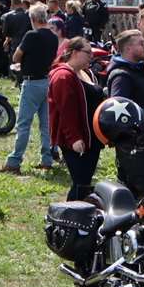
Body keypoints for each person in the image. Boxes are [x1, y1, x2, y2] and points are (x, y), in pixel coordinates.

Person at [105, 28, 144, 197]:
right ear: (129, 48)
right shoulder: (121, 76)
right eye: (141, 43)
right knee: (141, 194)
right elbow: (116, 114)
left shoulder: (137, 70)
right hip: (133, 148)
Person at [4, 4, 58, 173]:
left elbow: (16, 56)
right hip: (46, 81)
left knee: (23, 124)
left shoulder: (31, 35)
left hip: (31, 82)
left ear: (33, 19)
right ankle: (47, 159)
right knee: (45, 125)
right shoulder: (53, 37)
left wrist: (23, 62)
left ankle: (14, 161)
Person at [49, 37, 101, 201]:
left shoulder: (86, 73)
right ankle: (69, 217)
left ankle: (80, 217)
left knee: (85, 182)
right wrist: (74, 138)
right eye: (88, 53)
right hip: (76, 139)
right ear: (75, 52)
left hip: (92, 137)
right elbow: (66, 111)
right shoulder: (63, 76)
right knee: (80, 183)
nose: (91, 56)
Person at [1, 0, 31, 71]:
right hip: (27, 41)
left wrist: (7, 40)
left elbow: (5, 32)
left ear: (12, 3)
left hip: (15, 41)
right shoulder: (28, 15)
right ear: (21, 3)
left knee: (16, 62)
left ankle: (17, 78)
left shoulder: (8, 16)